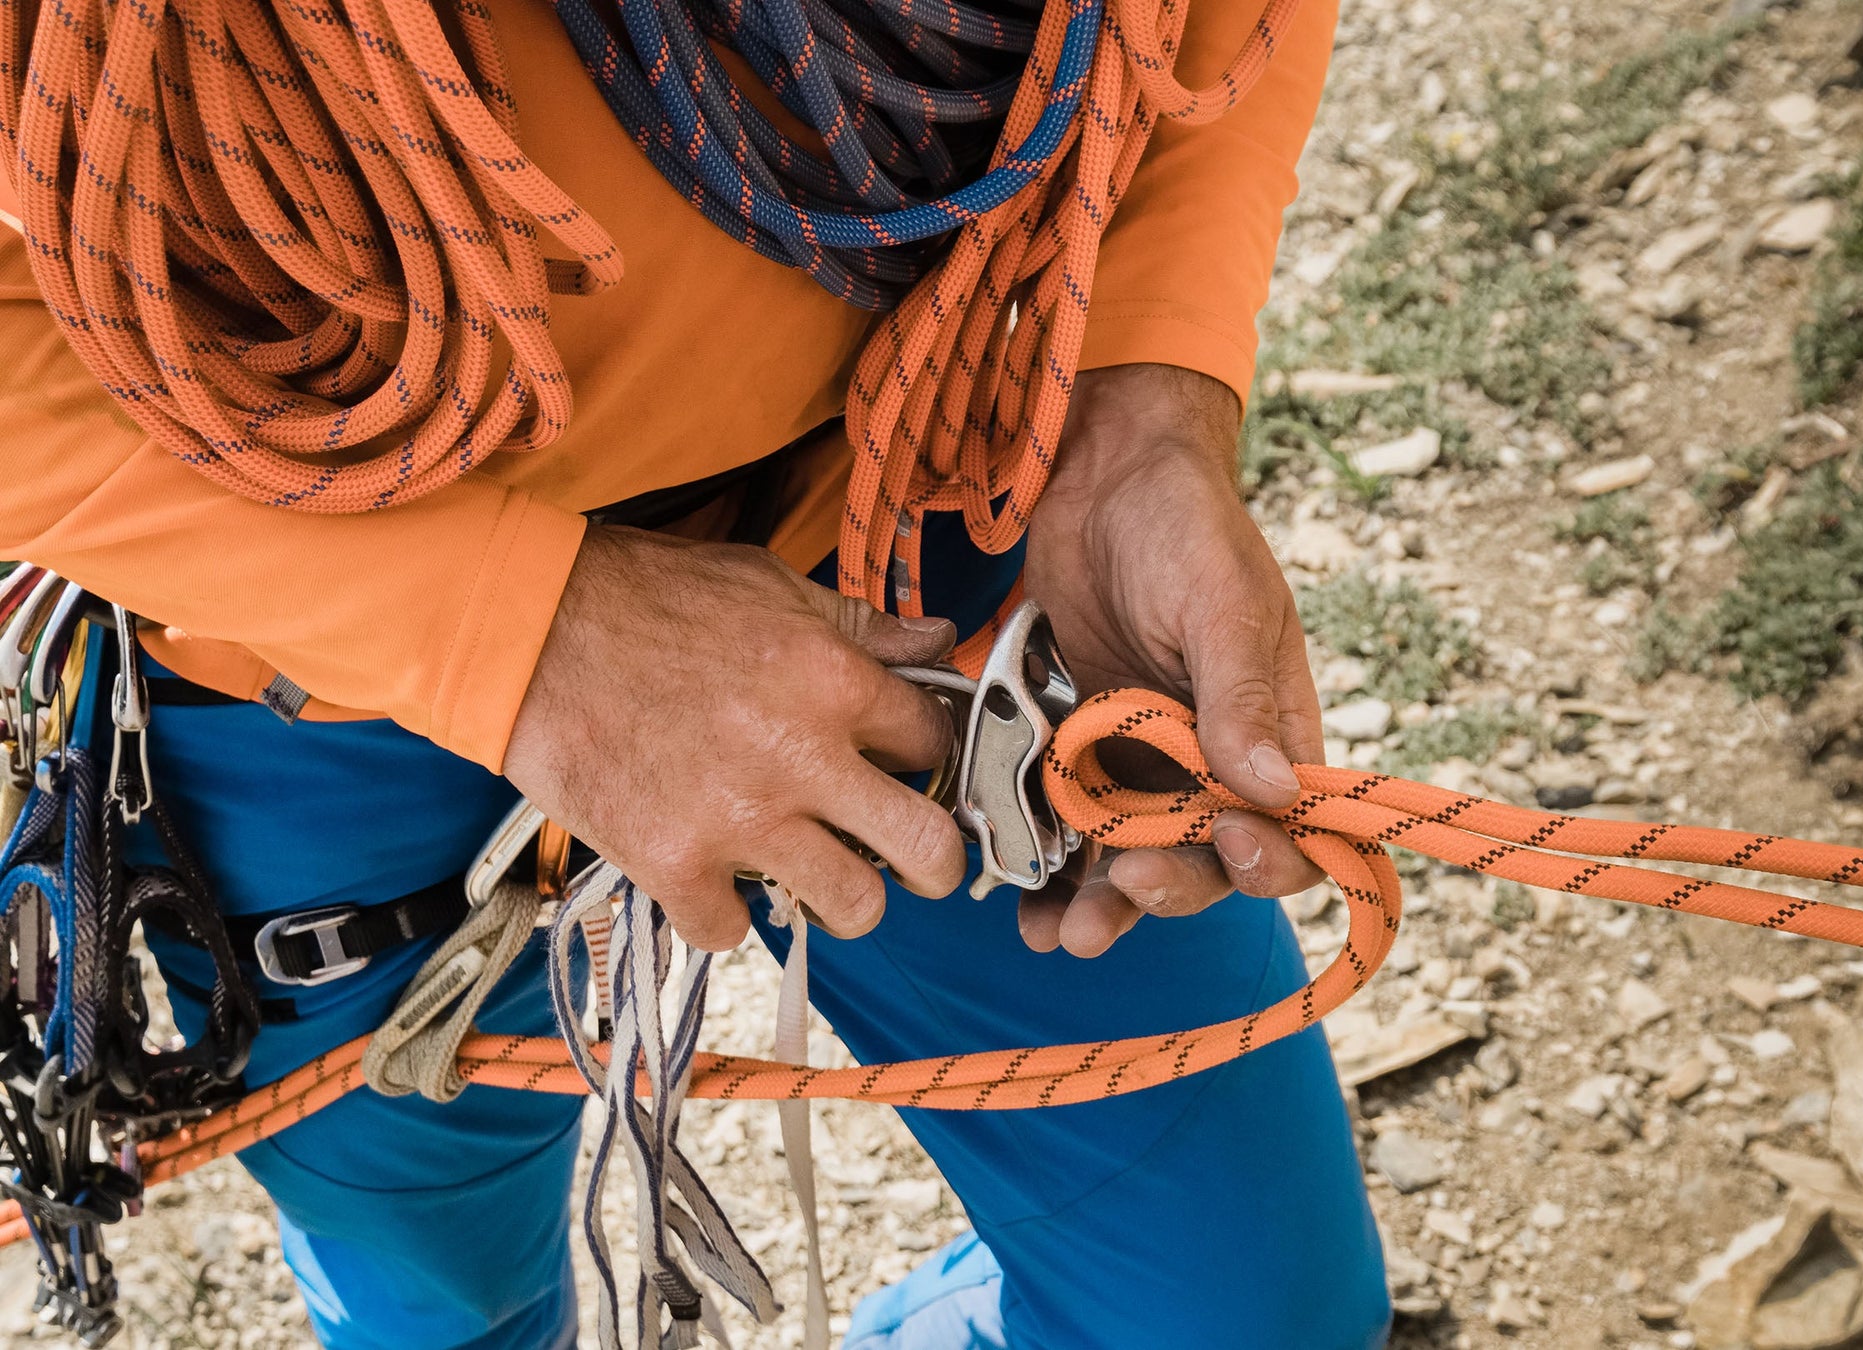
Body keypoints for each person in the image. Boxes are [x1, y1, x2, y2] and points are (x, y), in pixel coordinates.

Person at [0, 0, 1391, 1343]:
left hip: (906, 508)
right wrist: (512, 628)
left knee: (1246, 1316)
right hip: (302, 666)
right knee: (448, 1307)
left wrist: (1142, 392)